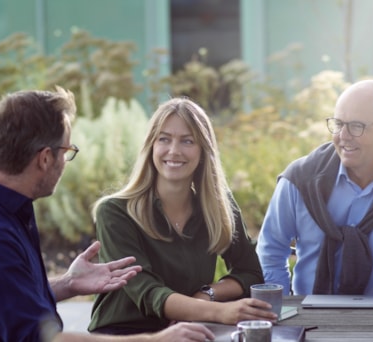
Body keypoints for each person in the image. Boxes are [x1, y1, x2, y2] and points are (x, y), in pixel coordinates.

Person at [0, 87, 215, 341]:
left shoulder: (8, 211)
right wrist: (155, 340)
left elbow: (4, 299)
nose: (65, 162)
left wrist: (68, 284)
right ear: (46, 159)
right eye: (66, 151)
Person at [88, 97, 275, 335]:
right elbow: (148, 293)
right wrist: (219, 312)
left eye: (187, 141)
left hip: (190, 330)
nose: (174, 151)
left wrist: (207, 295)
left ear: (203, 151)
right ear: (151, 146)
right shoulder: (115, 212)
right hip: (125, 334)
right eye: (164, 139)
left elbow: (251, 273)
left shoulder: (219, 207)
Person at [256, 79, 373, 296]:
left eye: (357, 126)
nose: (343, 136)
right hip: (307, 318)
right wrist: (283, 308)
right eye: (338, 124)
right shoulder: (299, 180)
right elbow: (271, 251)